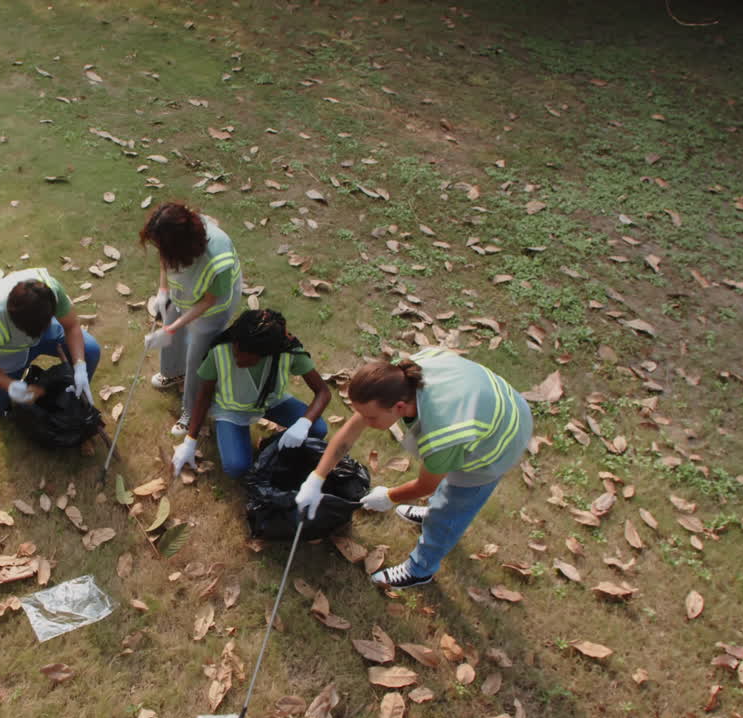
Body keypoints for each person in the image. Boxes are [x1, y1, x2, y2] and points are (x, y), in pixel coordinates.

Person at [294, 348, 533, 589]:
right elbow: (348, 435)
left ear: (398, 407)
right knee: (443, 488)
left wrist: (389, 497)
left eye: (371, 418)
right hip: (485, 400)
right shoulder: (398, 375)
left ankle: (420, 569)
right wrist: (316, 478)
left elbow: (426, 485)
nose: (364, 422)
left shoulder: (441, 432)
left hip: (504, 433)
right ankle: (432, 513)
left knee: (454, 506)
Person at [172, 309, 330, 479]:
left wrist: (303, 424)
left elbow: (323, 392)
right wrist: (190, 441)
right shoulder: (221, 350)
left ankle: (272, 445)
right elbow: (204, 395)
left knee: (317, 429)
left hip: (270, 402)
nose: (237, 358)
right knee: (237, 467)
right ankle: (245, 440)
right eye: (236, 350)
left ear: (266, 354)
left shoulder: (287, 351)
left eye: (246, 356)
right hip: (231, 409)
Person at [139, 202, 243, 437]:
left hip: (213, 306)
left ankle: (191, 411)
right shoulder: (174, 234)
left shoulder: (218, 257)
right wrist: (163, 291)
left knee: (198, 355)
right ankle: (173, 372)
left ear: (183, 245)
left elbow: (208, 301)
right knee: (170, 320)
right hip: (185, 290)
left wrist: (174, 327)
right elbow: (165, 257)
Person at [0, 268, 99, 414]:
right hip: (10, 352)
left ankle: (76, 392)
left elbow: (71, 326)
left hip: (48, 333)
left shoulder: (51, 291)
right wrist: (10, 385)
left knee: (90, 350)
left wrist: (80, 366)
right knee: (0, 407)